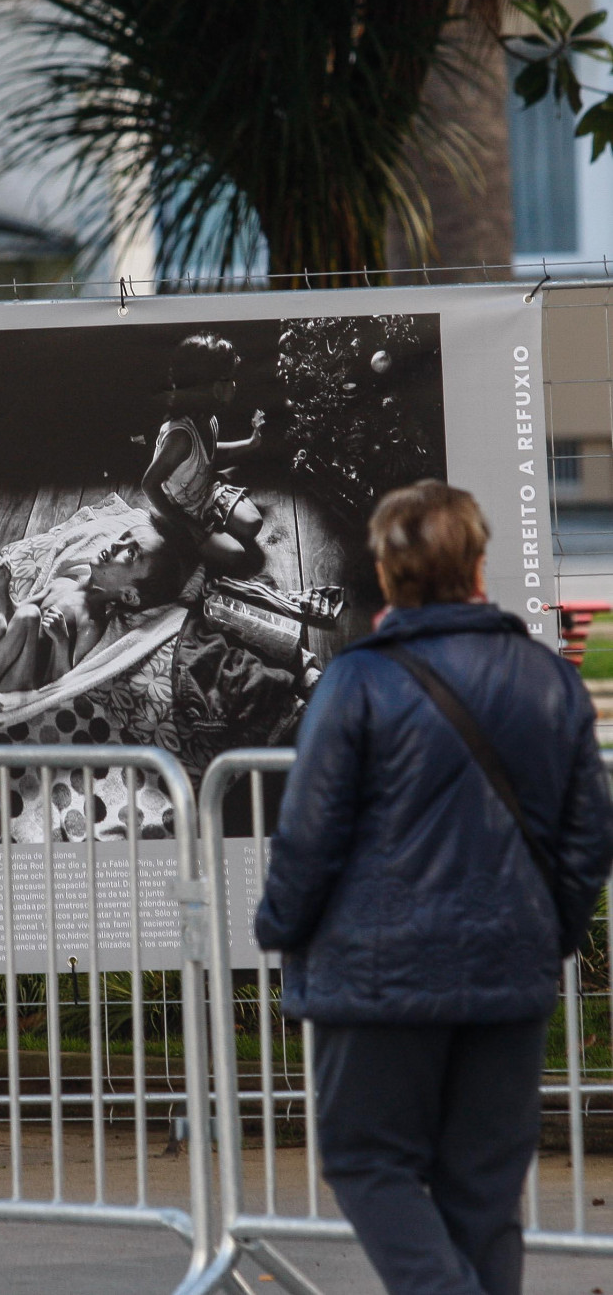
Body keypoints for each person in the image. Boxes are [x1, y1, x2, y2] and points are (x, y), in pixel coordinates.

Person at [255, 479, 613, 1295]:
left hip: (379, 977)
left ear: (386, 574)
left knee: (365, 1160)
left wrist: (281, 926)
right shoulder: (545, 680)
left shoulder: (355, 683)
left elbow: (309, 839)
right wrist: (541, 932)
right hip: (507, 972)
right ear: (479, 565)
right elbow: (588, 835)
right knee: (485, 1195)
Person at [0, 520, 187, 699]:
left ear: (128, 594)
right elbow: (9, 617)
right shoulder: (62, 584)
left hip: (19, 682)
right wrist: (1, 588)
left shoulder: (92, 622)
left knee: (30, 615)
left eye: (131, 553)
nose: (116, 544)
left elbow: (62, 679)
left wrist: (61, 642)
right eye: (124, 537)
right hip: (1, 662)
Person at [142, 333, 265, 569]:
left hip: (204, 494)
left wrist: (250, 443)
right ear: (213, 388)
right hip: (178, 510)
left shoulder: (208, 418)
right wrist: (186, 524)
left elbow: (207, 454)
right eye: (230, 379)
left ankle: (213, 517)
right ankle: (171, 530)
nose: (235, 384)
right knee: (235, 555)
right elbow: (148, 485)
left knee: (252, 524)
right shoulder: (180, 437)